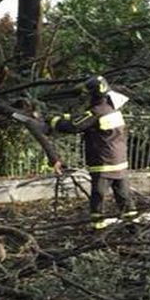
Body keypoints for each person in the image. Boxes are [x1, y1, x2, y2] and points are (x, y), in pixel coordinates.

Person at [48, 75, 137, 229]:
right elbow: (83, 119)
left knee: (98, 197)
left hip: (103, 163)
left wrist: (53, 121)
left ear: (93, 94)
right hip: (119, 162)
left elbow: (74, 126)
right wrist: (67, 117)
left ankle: (98, 228)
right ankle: (133, 227)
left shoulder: (96, 112)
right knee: (123, 195)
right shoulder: (111, 109)